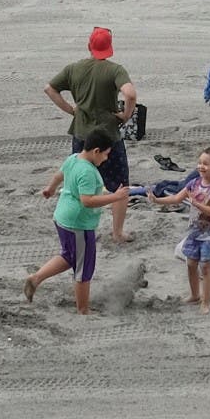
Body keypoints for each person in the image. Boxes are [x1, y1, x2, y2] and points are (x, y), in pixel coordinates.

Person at [44, 29, 138, 244]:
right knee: (119, 184)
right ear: (110, 47)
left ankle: (75, 223)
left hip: (81, 133)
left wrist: (71, 110)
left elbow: (49, 88)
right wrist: (126, 114)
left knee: (77, 179)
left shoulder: (73, 69)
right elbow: (130, 94)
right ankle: (117, 233)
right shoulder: (115, 70)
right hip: (108, 136)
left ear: (89, 46)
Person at [27, 130, 130, 314]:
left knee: (69, 256)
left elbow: (59, 175)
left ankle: (36, 279)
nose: (106, 159)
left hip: (62, 218)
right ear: (96, 151)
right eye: (106, 154)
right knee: (84, 269)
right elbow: (87, 200)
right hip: (78, 225)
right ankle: (83, 310)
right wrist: (115, 197)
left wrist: (50, 189)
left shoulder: (73, 158)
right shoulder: (88, 172)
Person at [149, 147, 210, 311]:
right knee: (191, 264)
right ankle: (194, 295)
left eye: (205, 164)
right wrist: (157, 200)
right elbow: (177, 198)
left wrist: (196, 203)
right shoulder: (194, 183)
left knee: (206, 268)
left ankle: (206, 302)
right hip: (194, 233)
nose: (201, 166)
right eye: (199, 163)